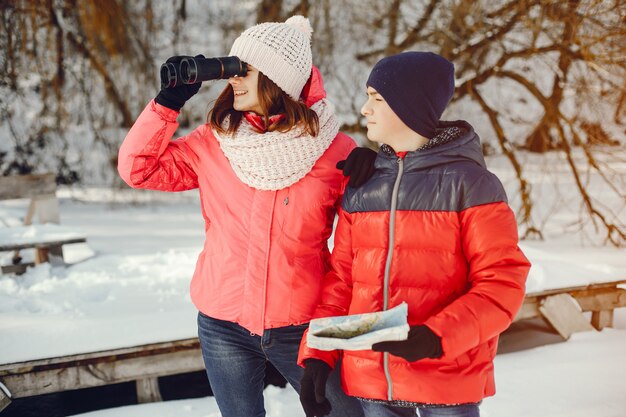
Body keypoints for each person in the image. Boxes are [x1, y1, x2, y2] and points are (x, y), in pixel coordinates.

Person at [118, 15, 369, 417]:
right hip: (223, 325)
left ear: (278, 79)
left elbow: (365, 242)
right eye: (232, 67)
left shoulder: (336, 152)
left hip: (303, 327)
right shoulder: (212, 143)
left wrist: (380, 171)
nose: (233, 78)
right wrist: (167, 105)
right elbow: (138, 169)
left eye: (244, 70)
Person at [297, 51, 532, 417]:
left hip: (446, 377)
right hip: (372, 381)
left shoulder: (471, 186)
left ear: (409, 107)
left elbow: (502, 283)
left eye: (376, 98)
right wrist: (318, 353)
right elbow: (342, 281)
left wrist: (438, 336)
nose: (364, 109)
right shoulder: (363, 185)